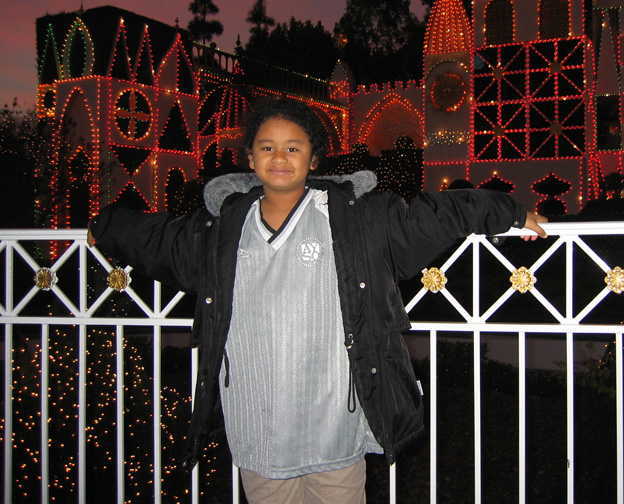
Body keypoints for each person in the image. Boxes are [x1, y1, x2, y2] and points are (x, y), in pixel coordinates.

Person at [88, 98, 547, 503]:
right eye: (267, 147)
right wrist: (106, 226)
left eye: (294, 147)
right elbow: (158, 240)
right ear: (250, 158)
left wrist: (507, 211)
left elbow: (432, 216)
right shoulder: (223, 229)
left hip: (333, 423)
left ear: (313, 158)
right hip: (256, 424)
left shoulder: (354, 219)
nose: (280, 157)